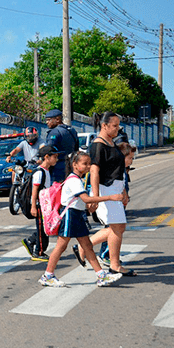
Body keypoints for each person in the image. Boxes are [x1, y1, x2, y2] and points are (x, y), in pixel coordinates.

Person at [38, 151, 123, 288]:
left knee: (87, 246)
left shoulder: (77, 179)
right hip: (70, 216)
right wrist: (110, 197)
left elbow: (82, 201)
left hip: (76, 215)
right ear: (75, 165)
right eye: (85, 164)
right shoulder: (73, 180)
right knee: (61, 246)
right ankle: (47, 275)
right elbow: (86, 199)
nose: (88, 166)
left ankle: (101, 275)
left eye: (89, 163)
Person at [76, 112, 132, 277]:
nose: (117, 129)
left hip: (115, 188)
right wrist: (96, 197)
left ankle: (86, 246)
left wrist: (123, 191)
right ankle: (114, 265)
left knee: (119, 227)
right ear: (104, 125)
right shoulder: (98, 145)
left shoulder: (111, 142)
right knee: (117, 227)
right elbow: (94, 171)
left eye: (118, 125)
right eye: (114, 125)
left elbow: (117, 170)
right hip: (105, 190)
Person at [20, 145, 57, 261]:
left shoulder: (47, 171)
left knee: (44, 229)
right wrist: (33, 207)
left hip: (45, 205)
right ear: (47, 157)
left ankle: (30, 241)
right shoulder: (39, 172)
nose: (57, 159)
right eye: (55, 157)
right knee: (42, 230)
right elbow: (34, 190)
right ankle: (38, 252)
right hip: (39, 205)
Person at [41, 109, 79, 182]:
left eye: (49, 120)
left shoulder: (54, 132)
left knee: (55, 188)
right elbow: (76, 148)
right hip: (70, 164)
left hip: (57, 166)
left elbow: (49, 149)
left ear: (57, 119)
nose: (47, 122)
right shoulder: (72, 130)